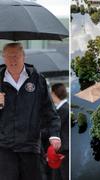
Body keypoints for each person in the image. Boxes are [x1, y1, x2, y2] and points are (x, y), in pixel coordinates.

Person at [0, 42, 61, 180]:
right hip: (4, 147)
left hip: (30, 146)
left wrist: (54, 134)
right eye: (8, 56)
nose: (12, 60)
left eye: (16, 56)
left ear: (24, 56)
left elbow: (49, 111)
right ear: (3, 58)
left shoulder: (38, 79)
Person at [51, 83, 69, 180]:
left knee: (63, 176)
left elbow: (54, 128)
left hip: (63, 150)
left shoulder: (63, 110)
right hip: (61, 150)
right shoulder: (63, 108)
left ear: (54, 93)